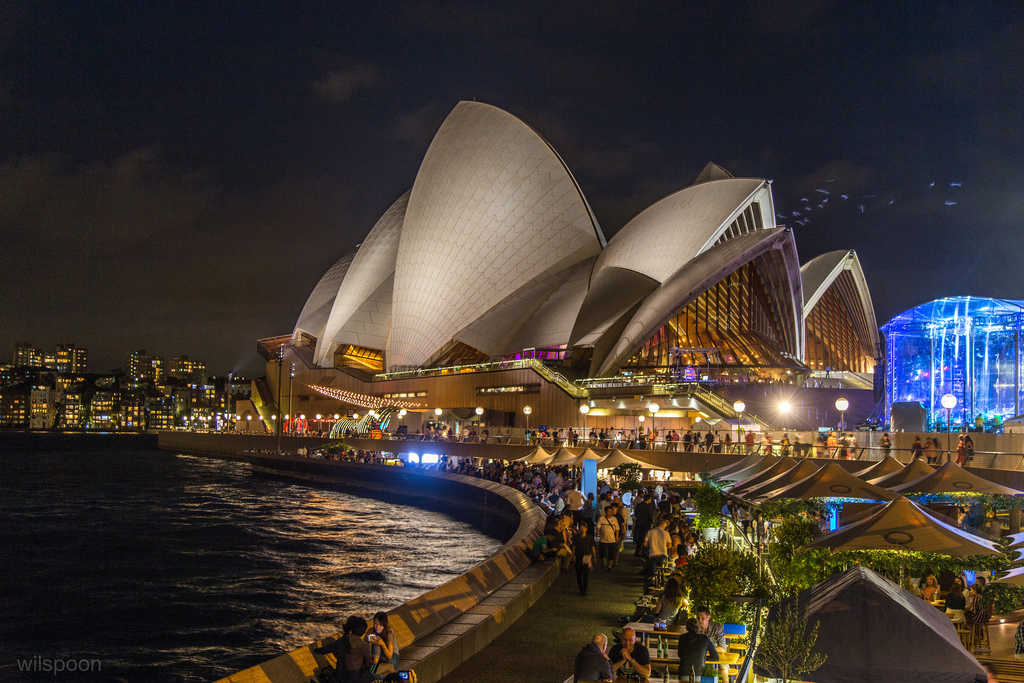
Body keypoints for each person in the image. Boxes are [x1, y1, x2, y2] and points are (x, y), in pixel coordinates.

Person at [314, 615, 373, 683]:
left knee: (327, 672)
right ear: (363, 632)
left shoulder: (341, 641)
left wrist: (317, 650)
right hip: (358, 678)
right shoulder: (365, 646)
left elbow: (324, 650)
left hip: (341, 678)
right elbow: (369, 664)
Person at [367, 612, 398, 679]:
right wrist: (368, 640)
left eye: (380, 625)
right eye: (375, 624)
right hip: (379, 659)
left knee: (370, 672)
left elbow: (390, 655)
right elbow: (364, 645)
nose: (377, 627)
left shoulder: (389, 633)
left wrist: (382, 644)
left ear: (384, 624)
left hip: (392, 658)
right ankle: (383, 675)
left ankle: (388, 669)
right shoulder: (371, 631)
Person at [574, 521, 597, 596]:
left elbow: (593, 547)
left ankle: (584, 590)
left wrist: (594, 557)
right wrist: (573, 556)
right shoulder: (576, 537)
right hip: (578, 557)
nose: (582, 528)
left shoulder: (590, 537)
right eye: (581, 527)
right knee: (579, 574)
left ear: (586, 529)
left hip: (587, 557)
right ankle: (581, 589)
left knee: (586, 574)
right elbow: (574, 547)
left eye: (584, 527)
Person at [596, 505, 621, 570]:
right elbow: (598, 527)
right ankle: (603, 564)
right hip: (603, 540)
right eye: (608, 511)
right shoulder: (601, 518)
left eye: (611, 511)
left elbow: (617, 529)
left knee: (611, 554)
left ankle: (609, 566)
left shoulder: (614, 519)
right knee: (603, 553)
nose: (610, 513)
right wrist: (597, 534)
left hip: (612, 540)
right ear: (605, 512)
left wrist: (616, 537)